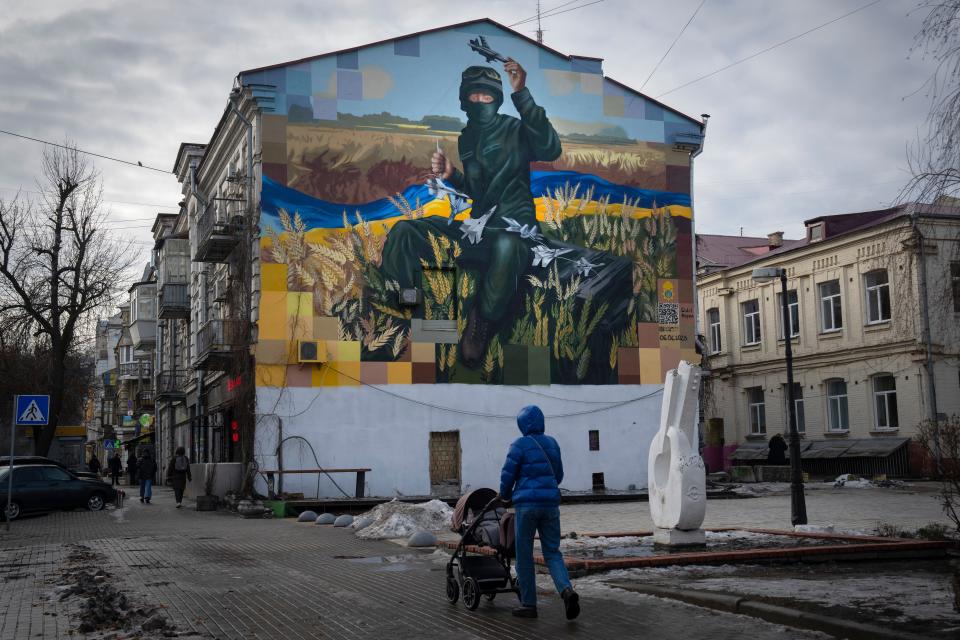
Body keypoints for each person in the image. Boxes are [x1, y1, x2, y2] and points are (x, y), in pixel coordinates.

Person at [381, 58, 562, 367]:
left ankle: (482, 322)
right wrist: (452, 174)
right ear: (465, 99)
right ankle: (412, 309)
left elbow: (550, 148)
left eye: (487, 95)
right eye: (474, 96)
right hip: (476, 229)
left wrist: (523, 94)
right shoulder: (467, 138)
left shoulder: (515, 129)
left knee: (507, 248)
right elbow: (480, 193)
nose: (480, 101)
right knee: (404, 232)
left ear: (498, 98)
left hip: (514, 230)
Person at [499, 405, 580, 620]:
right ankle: (566, 590)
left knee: (524, 554)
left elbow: (508, 476)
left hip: (526, 507)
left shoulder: (519, 445)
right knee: (552, 552)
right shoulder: (552, 443)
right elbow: (558, 476)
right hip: (550, 505)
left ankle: (529, 604)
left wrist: (504, 495)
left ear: (522, 424)